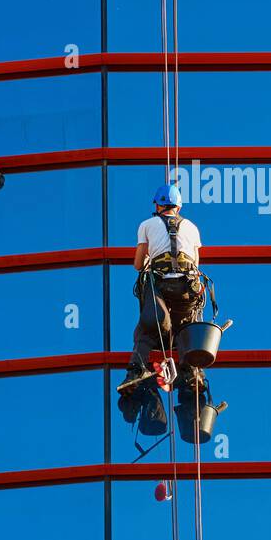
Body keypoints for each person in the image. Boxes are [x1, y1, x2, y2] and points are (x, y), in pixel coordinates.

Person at [117, 183, 208, 433]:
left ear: (158, 205)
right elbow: (196, 266)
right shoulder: (192, 227)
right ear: (178, 207)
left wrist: (151, 257)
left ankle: (136, 371)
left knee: (146, 331)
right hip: (188, 290)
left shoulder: (147, 225)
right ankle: (192, 375)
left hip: (160, 288)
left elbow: (138, 265)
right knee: (187, 332)